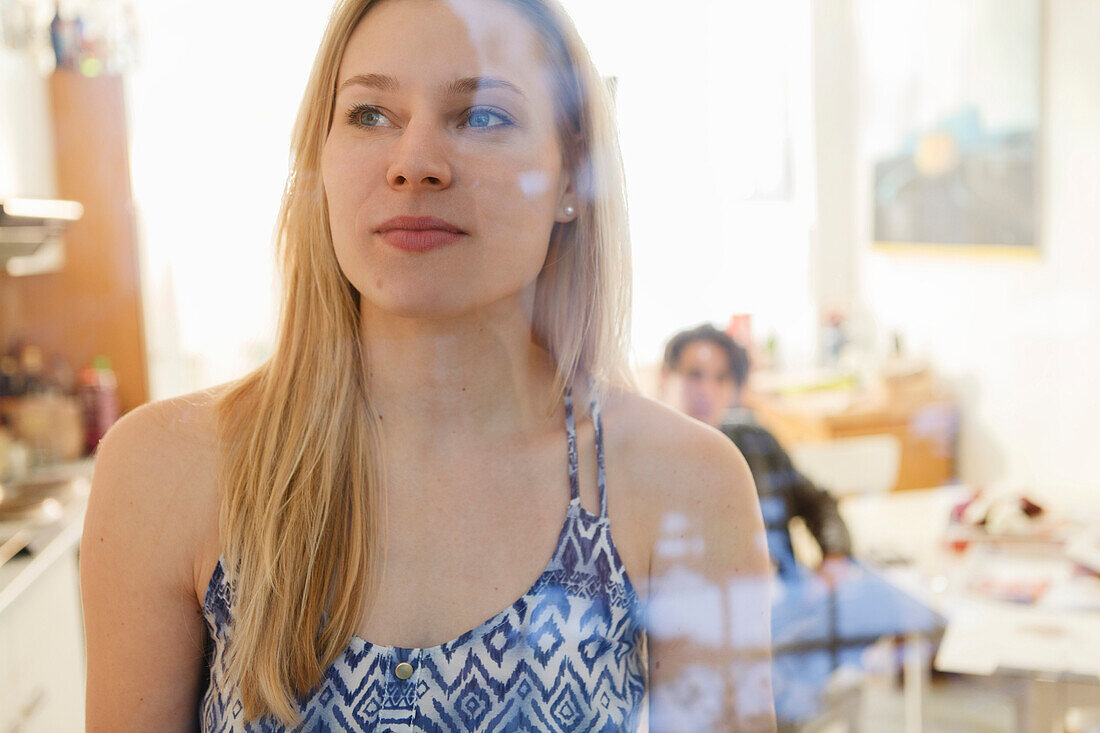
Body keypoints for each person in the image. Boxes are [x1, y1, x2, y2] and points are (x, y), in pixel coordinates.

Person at [80, 1, 775, 730]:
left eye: (481, 116)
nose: (414, 163)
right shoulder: (164, 472)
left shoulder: (685, 485)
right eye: (371, 114)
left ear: (572, 176)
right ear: (319, 160)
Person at [658, 323, 853, 587]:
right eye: (695, 375)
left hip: (785, 601)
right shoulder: (649, 460)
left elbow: (818, 503)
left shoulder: (756, 442)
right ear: (665, 377)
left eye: (721, 378)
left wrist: (834, 557)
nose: (707, 390)